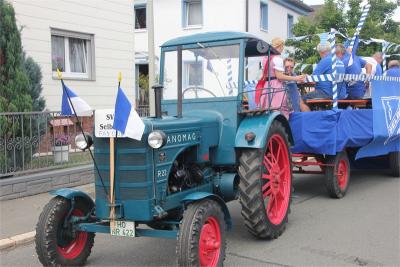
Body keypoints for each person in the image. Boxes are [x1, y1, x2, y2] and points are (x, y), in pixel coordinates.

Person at [258, 38, 305, 116]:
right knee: (281, 110)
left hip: (267, 86)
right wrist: (296, 78)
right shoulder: (277, 59)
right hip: (276, 86)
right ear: (280, 46)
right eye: (282, 47)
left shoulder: (265, 58)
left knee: (268, 110)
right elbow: (279, 76)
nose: (282, 49)